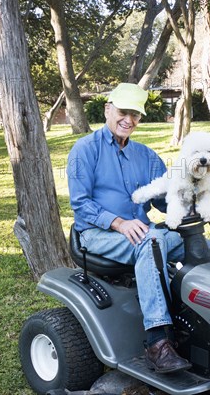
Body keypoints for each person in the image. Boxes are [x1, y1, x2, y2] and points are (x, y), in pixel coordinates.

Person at [67, 83, 196, 373]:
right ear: (108, 109)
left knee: (196, 243)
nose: (129, 120)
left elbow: (164, 201)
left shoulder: (147, 156)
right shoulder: (84, 150)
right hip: (97, 234)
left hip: (142, 232)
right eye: (124, 112)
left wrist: (189, 202)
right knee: (150, 242)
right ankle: (157, 342)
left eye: (135, 115)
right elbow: (81, 204)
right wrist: (119, 222)